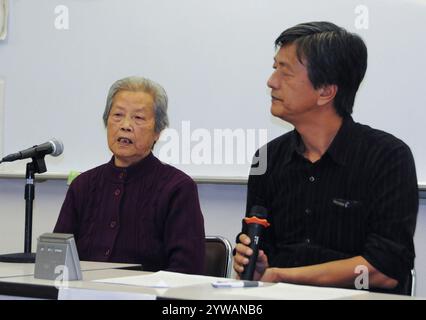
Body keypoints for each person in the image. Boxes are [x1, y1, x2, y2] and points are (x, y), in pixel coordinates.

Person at [233, 22, 418, 295]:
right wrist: (259, 266)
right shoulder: (268, 158)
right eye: (275, 69)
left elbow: (386, 270)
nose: (271, 82)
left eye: (285, 72)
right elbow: (263, 251)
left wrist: (286, 276)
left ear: (325, 91)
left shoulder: (388, 157)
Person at [54, 76, 205, 274]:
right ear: (106, 122)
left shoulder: (177, 188)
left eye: (138, 118)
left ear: (158, 131)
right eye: (117, 115)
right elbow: (57, 259)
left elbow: (186, 270)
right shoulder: (82, 186)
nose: (125, 125)